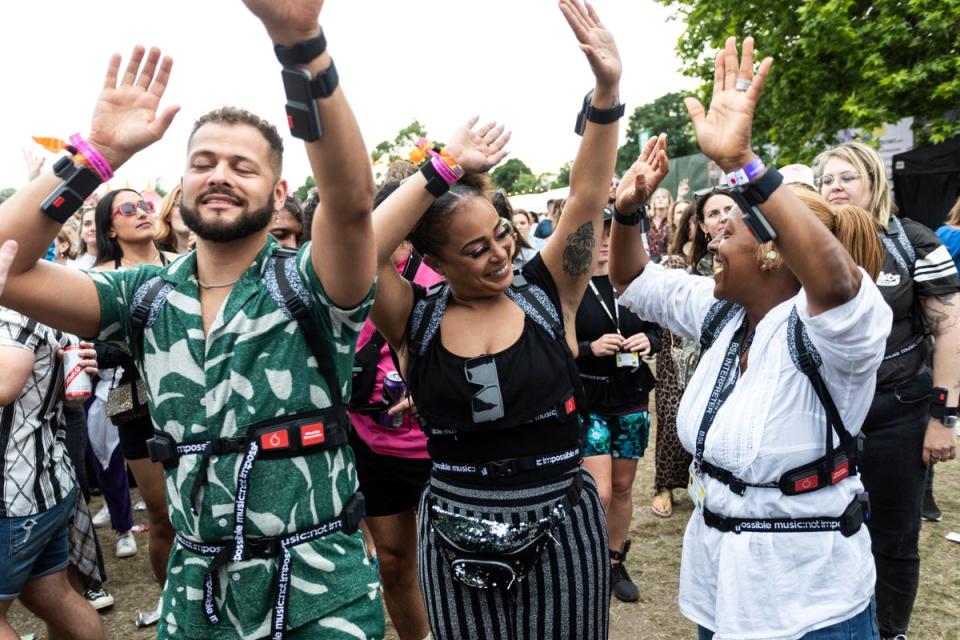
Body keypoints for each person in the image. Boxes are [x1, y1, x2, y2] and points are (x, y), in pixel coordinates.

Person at [0, 0, 384, 636]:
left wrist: (302, 45)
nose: (220, 176)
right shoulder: (144, 296)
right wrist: (96, 152)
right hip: (196, 599)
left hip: (321, 596)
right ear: (182, 180)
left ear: (279, 193)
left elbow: (350, 200)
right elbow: (7, 269)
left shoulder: (311, 283)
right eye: (203, 162)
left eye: (242, 166)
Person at [610, 37, 891, 639]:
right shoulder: (725, 313)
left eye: (726, 226)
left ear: (771, 249)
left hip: (809, 599)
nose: (710, 238)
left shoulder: (838, 335)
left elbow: (837, 283)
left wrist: (745, 164)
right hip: (721, 583)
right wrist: (627, 212)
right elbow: (631, 276)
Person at [368, 1, 621, 636]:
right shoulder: (411, 319)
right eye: (476, 249)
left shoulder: (546, 292)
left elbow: (587, 196)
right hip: (454, 528)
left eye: (502, 234)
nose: (501, 253)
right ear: (432, 260)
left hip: (562, 520)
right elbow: (357, 250)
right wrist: (441, 170)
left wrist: (607, 92)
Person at [814, 139, 960, 640]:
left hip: (897, 412)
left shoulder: (915, 241)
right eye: (826, 178)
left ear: (874, 182)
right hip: (824, 417)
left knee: (895, 536)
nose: (835, 186)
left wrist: (944, 417)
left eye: (846, 176)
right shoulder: (807, 242)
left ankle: (890, 630)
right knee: (824, 530)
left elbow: (950, 330)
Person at [348, 182, 442, 640]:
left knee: (451, 561)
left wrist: (434, 391)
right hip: (370, 442)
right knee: (393, 559)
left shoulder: (439, 273)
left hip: (438, 448)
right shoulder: (341, 276)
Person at [0, 237, 106, 640]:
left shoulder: (12, 304)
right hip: (39, 484)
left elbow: (4, 384)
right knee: (52, 596)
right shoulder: (38, 297)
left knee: (54, 596)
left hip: (12, 494)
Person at [576, 196, 665, 602]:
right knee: (601, 491)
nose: (609, 240)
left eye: (615, 232)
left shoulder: (638, 282)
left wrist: (650, 339)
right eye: (601, 233)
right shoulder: (572, 287)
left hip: (630, 396)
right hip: (590, 396)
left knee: (625, 487)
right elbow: (554, 344)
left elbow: (660, 331)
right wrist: (588, 347)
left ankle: (614, 562)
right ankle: (589, 562)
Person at [650, 202, 704, 519]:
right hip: (675, 353)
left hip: (711, 352)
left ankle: (702, 483)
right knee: (671, 418)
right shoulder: (674, 263)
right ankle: (664, 485)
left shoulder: (718, 260)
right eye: (702, 217)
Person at [154, 185, 191, 254]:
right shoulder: (155, 251)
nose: (187, 210)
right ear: (168, 215)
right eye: (180, 205)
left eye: (192, 205)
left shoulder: (215, 249)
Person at [646, 186, 673, 260]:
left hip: (666, 261)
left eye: (664, 197)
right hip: (647, 261)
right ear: (653, 201)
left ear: (669, 201)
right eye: (657, 197)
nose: (660, 199)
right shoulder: (646, 219)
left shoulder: (672, 221)